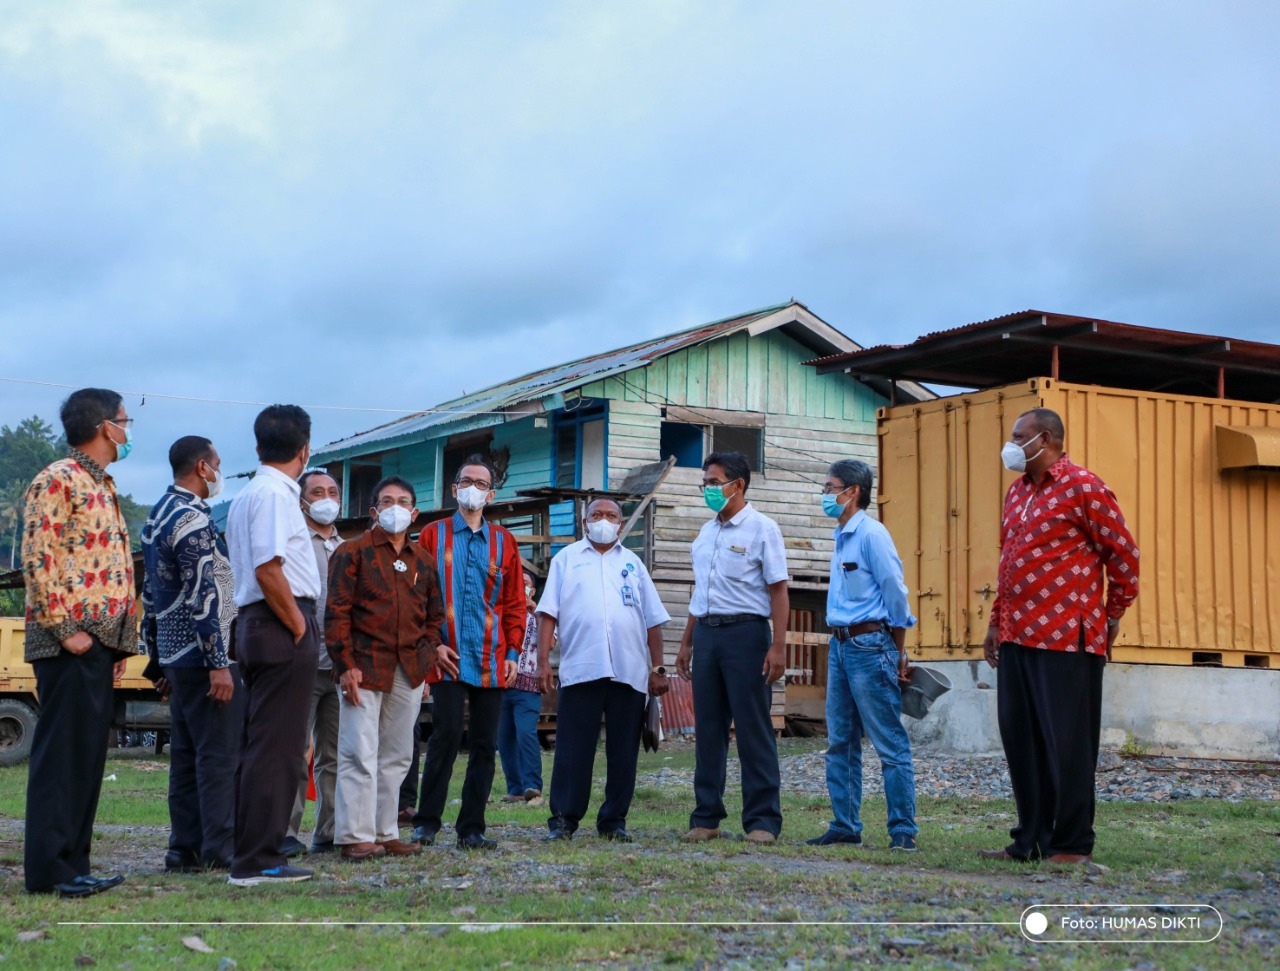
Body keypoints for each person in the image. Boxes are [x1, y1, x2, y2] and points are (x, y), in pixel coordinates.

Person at [979, 408, 1140, 866]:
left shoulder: (1085, 487)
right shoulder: (1017, 493)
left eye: (1018, 436)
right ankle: (1030, 838)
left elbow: (1124, 556)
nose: (1010, 444)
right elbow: (1009, 562)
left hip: (1067, 638)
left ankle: (1071, 845)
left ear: (1044, 439)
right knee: (1021, 740)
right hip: (1017, 635)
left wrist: (1109, 618)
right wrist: (996, 621)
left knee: (1066, 744)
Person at [20, 388, 138, 897]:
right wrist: (70, 635)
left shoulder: (101, 483)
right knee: (63, 757)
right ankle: (50, 871)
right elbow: (38, 560)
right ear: (102, 427)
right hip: (71, 641)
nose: (128, 430)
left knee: (87, 758)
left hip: (98, 643)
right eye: (123, 421)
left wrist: (118, 645)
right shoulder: (56, 479)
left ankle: (74, 865)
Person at [225, 404, 322, 887]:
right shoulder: (274, 494)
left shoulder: (248, 493)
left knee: (266, 742)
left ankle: (255, 852)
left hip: (262, 621)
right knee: (277, 748)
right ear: (304, 450)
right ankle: (258, 859)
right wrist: (299, 627)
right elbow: (268, 568)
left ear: (259, 445)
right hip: (280, 620)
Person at [536, 498, 670, 842]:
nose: (604, 520)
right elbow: (547, 613)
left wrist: (657, 668)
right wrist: (541, 663)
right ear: (585, 523)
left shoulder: (633, 563)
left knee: (624, 751)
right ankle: (564, 820)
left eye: (611, 516)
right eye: (597, 515)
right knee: (572, 749)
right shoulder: (566, 560)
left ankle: (613, 821)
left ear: (621, 525)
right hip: (581, 669)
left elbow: (653, 621)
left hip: (629, 672)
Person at [327, 476, 444, 861]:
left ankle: (385, 831)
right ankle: (353, 836)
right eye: (387, 501)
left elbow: (434, 618)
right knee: (358, 751)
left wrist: (425, 661)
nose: (396, 508)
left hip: (408, 669)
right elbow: (337, 612)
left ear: (414, 513)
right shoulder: (351, 552)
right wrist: (344, 664)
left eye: (403, 501)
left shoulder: (423, 561)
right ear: (374, 511)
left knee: (397, 755)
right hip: (363, 665)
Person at [411, 456, 525, 850]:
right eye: (466, 481)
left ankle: (472, 827)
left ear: (491, 494)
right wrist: (432, 643)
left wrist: (513, 651)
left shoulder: (504, 541)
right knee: (443, 737)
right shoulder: (431, 535)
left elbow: (513, 604)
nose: (472, 488)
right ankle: (426, 823)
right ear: (454, 488)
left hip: (492, 660)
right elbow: (419, 597)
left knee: (483, 743)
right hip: (447, 656)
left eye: (480, 483)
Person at [675, 451, 789, 845]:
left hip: (746, 635)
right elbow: (699, 593)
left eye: (713, 481)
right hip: (707, 634)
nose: (707, 488)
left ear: (737, 485)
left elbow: (779, 590)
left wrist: (778, 646)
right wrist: (687, 641)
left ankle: (762, 821)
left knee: (754, 728)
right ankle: (706, 817)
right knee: (708, 729)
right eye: (704, 482)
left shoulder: (762, 528)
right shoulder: (707, 533)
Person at [806, 460, 919, 851]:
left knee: (889, 741)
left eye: (830, 486)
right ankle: (845, 824)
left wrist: (898, 653)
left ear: (852, 492)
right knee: (840, 740)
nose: (825, 494)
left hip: (871, 646)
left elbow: (896, 594)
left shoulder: (872, 535)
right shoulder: (841, 537)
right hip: (839, 645)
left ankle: (902, 830)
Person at [141, 436, 242, 872]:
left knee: (184, 758)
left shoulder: (157, 515)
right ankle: (220, 849)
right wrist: (219, 663)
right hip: (203, 658)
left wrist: (158, 659)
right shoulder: (192, 520)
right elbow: (206, 595)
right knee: (218, 757)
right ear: (203, 467)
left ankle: (182, 848)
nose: (219, 471)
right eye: (217, 464)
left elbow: (150, 594)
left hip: (175, 655)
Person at [285, 469, 344, 856]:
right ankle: (285, 833)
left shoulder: (348, 548)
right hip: (300, 662)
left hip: (339, 667)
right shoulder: (292, 543)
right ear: (302, 500)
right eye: (317, 491)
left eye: (333, 492)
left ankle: (329, 831)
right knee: (292, 752)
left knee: (335, 755)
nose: (326, 498)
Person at [498, 571, 544, 804]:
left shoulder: (541, 615)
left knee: (526, 734)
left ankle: (533, 786)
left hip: (528, 686)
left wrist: (534, 612)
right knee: (504, 738)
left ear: (532, 591)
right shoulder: (503, 610)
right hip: (502, 683)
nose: (520, 587)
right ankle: (515, 789)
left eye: (524, 584)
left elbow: (552, 642)